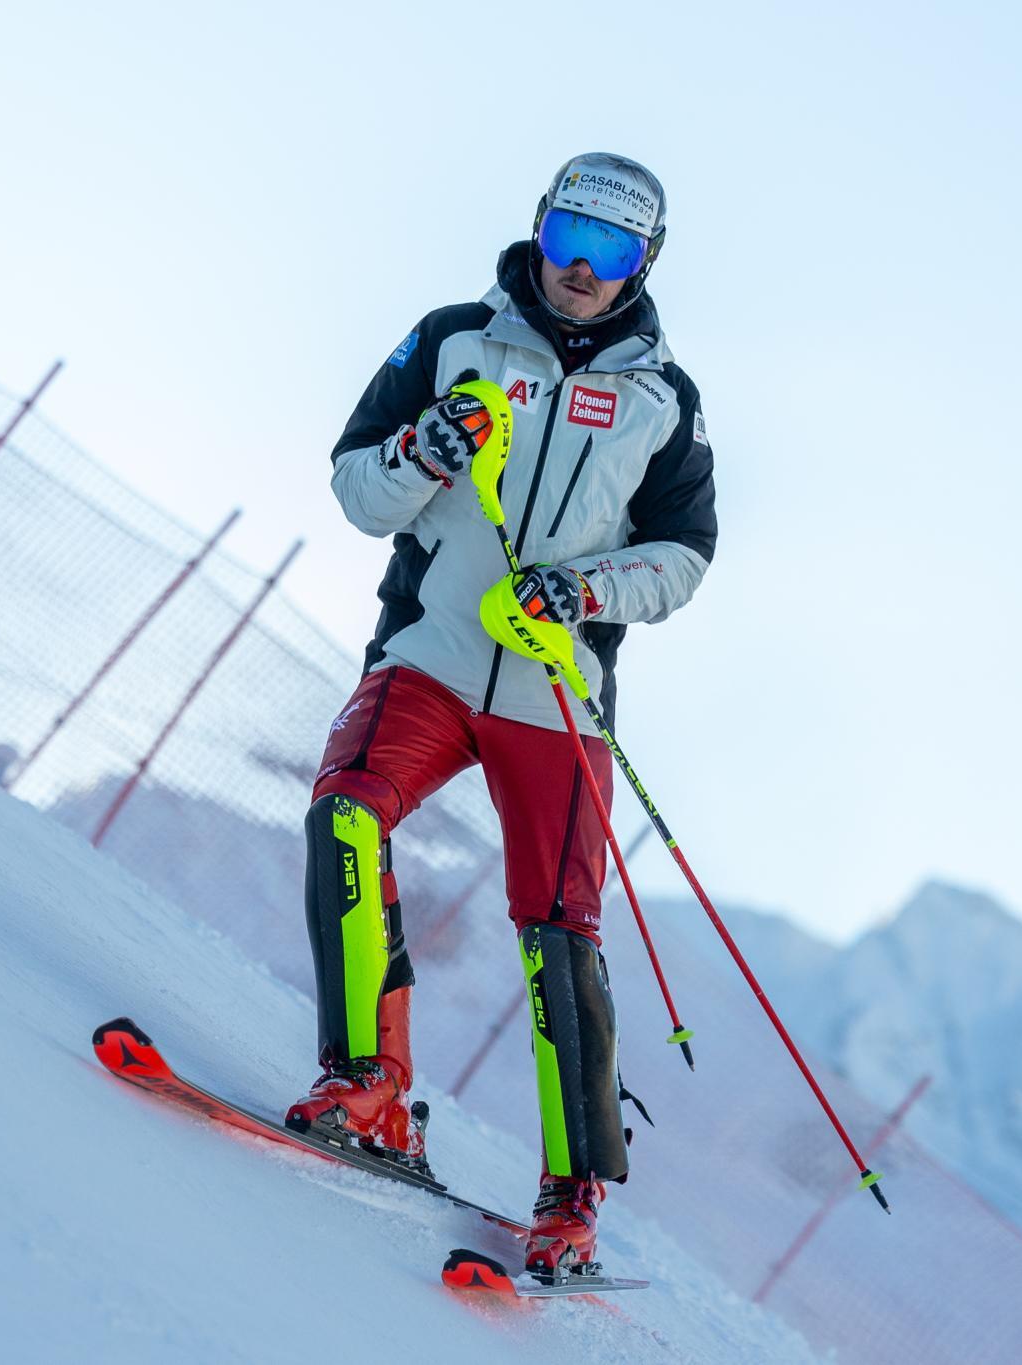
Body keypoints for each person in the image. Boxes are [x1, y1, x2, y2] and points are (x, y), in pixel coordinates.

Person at [285, 153, 717, 1279]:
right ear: (537, 224)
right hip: (429, 654)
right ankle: (366, 1082)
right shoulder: (451, 341)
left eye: (611, 251)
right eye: (570, 233)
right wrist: (423, 451)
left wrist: (582, 592)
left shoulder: (660, 400)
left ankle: (571, 1197)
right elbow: (354, 487)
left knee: (559, 930)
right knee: (343, 816)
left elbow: (682, 558)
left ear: (643, 265)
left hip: (552, 695)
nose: (580, 267)